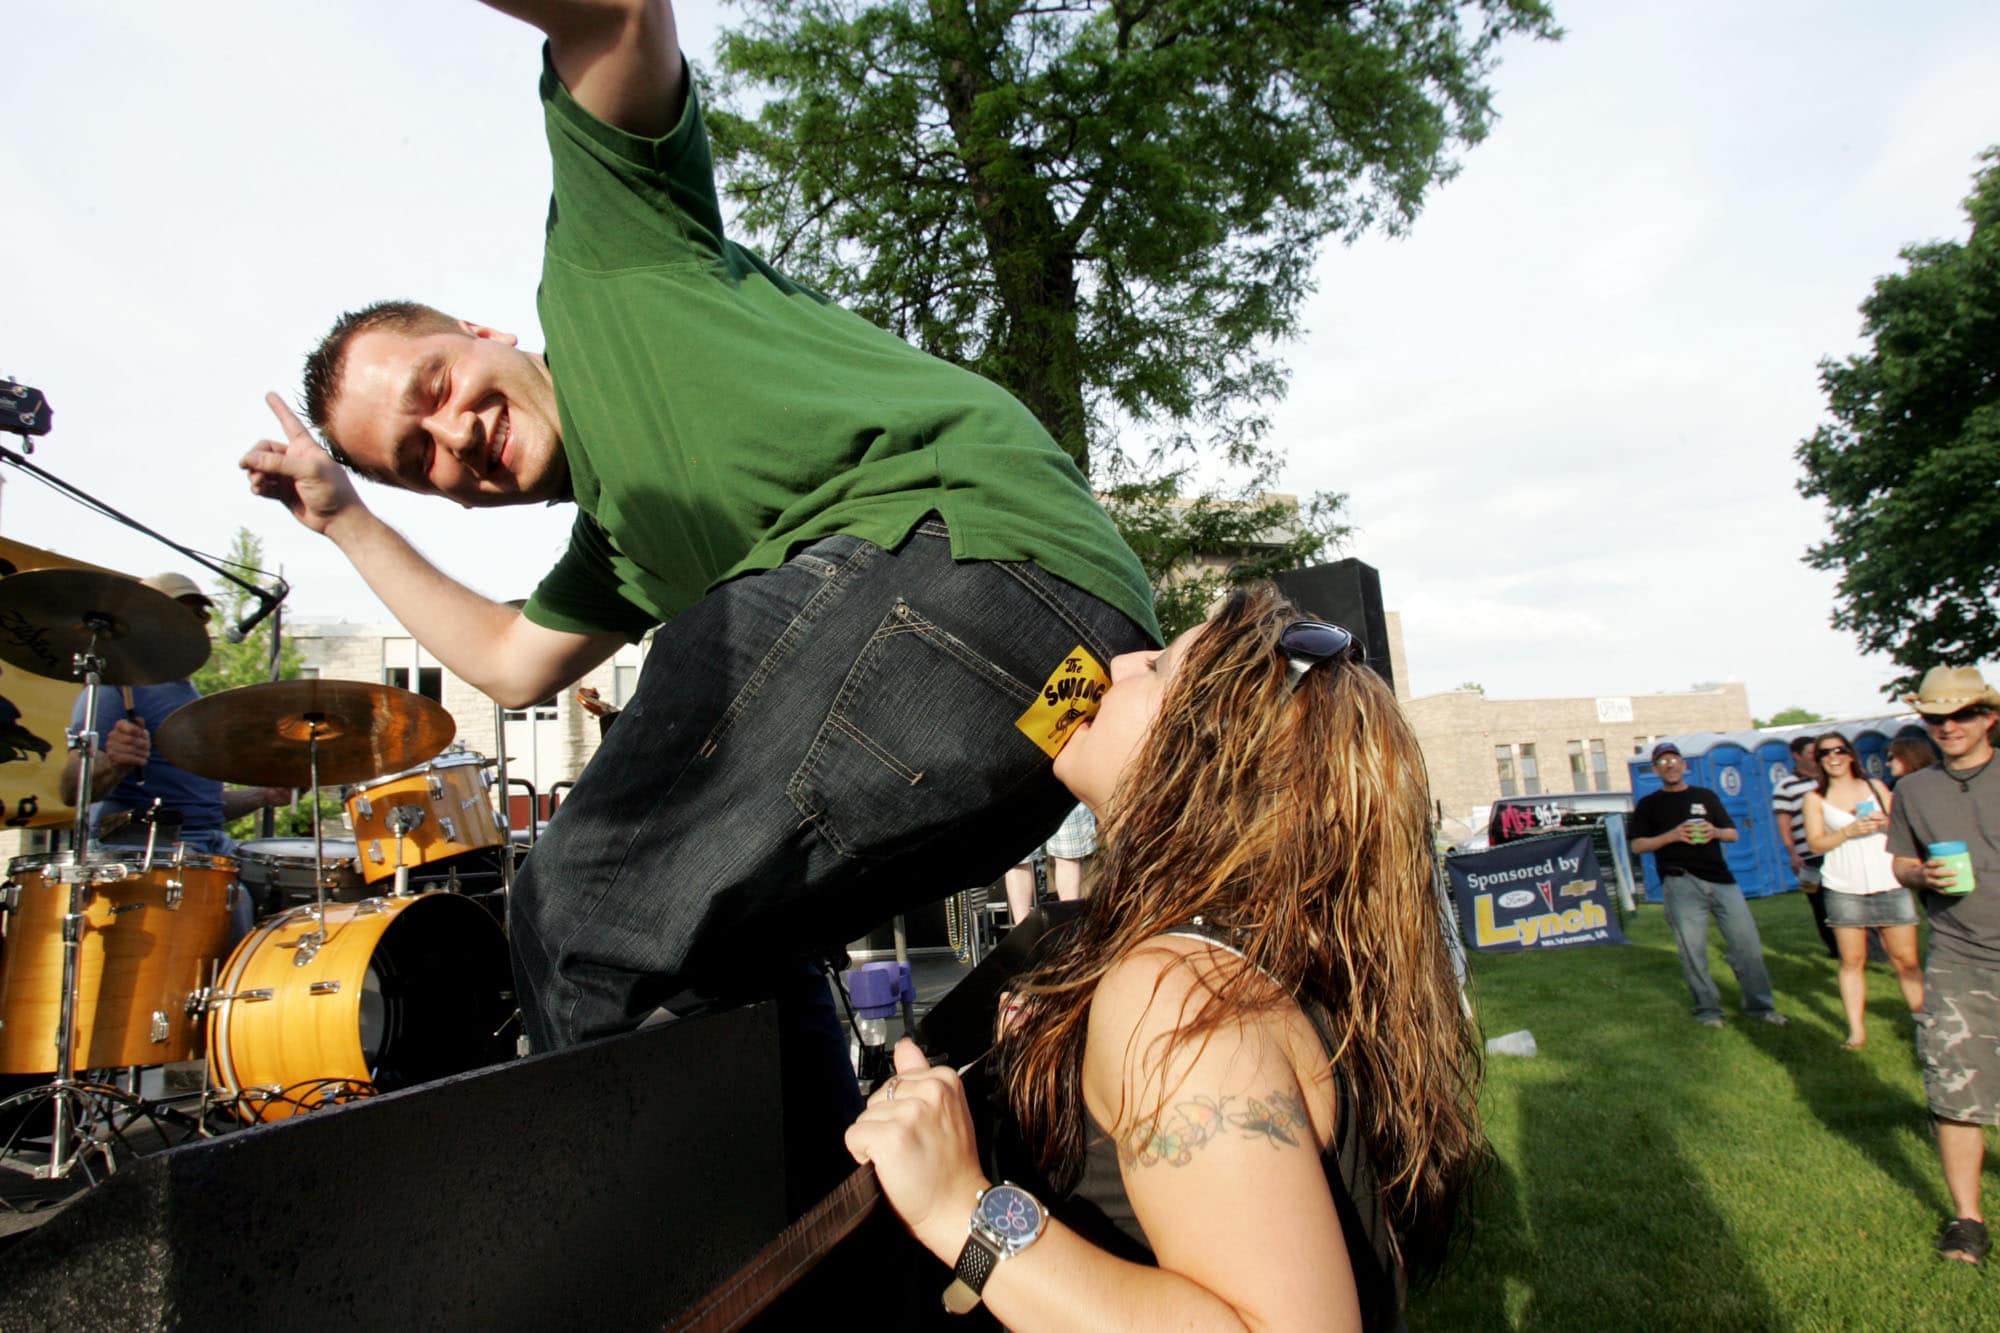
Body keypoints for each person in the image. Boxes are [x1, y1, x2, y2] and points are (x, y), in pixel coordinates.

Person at [241, 0, 1155, 1204]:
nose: (452, 435)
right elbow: (509, 660)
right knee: (714, 949)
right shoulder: (620, 548)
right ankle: (814, 1249)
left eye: (436, 386)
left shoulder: (609, 261)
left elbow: (616, 15)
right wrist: (348, 518)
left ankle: (659, 1271)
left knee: (578, 911)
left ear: (481, 332)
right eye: (419, 461)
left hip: (972, 567)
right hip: (1052, 705)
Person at [845, 586, 1482, 1328]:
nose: (1117, 664)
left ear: (1206, 761)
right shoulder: (1240, 962)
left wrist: (957, 1208)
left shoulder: (1181, 996)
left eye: (1156, 667)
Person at [58, 572, 292, 936]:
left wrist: (262, 795)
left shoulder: (187, 696)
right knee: (239, 905)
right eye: (178, 613)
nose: (195, 624)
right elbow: (71, 791)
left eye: (200, 616)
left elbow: (200, 810)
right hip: (146, 850)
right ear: (143, 624)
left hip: (207, 845)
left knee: (296, 887)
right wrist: (115, 763)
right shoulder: (114, 690)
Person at [1885, 666, 2000, 1267]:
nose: (1948, 726)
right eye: (1935, 718)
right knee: (1954, 1089)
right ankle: (1967, 1221)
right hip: (1958, 955)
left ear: (1989, 717)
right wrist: (1919, 874)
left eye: (1960, 715)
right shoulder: (1913, 791)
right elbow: (1900, 862)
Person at [1627, 742, 1788, 1028]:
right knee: (1693, 951)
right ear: (1655, 770)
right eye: (1663, 762)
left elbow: (1732, 834)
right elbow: (1637, 846)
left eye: (1674, 760)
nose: (1670, 765)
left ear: (1684, 765)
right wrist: (1673, 836)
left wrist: (1714, 831)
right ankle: (1709, 1011)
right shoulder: (1649, 804)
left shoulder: (1705, 796)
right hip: (1681, 883)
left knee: (1747, 946)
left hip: (1722, 881)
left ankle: (1760, 1007)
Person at [1801, 731, 1923, 1049]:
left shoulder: (1875, 787)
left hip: (1888, 880)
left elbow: (1902, 825)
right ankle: (1856, 1032)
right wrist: (1848, 831)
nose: (1833, 757)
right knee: (1852, 960)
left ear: (1851, 754)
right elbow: (1815, 843)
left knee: (1905, 959)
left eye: (1839, 750)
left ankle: (1924, 1023)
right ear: (1818, 761)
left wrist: (1883, 823)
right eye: (1825, 753)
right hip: (1844, 885)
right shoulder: (1815, 798)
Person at [1771, 734, 1837, 958]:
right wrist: (1792, 853)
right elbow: (1784, 823)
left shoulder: (1830, 779)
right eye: (1811, 752)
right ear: (1796, 756)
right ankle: (1835, 948)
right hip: (1808, 855)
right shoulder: (1785, 787)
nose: (1816, 757)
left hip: (1838, 850)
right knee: (1820, 903)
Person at [1001, 803, 1096, 924]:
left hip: (1066, 795)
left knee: (1068, 854)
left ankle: (1068, 926)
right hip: (1015, 794)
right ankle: (1021, 929)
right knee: (1018, 860)